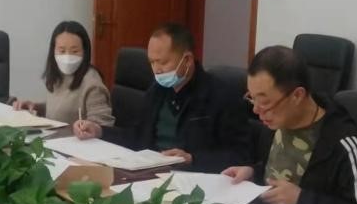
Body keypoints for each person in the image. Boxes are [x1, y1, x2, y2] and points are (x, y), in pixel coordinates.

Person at [222, 45, 357, 204]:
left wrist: (301, 200)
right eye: (252, 98)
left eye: (264, 101)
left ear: (297, 95)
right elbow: (277, 170)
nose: (256, 110)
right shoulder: (274, 124)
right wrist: (253, 173)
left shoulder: (344, 144)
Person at [73, 22, 250, 173]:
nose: (156, 70)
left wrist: (192, 158)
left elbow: (242, 155)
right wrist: (99, 130)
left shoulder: (220, 95)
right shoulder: (157, 90)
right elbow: (137, 136)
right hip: (151, 171)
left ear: (187, 60)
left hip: (192, 178)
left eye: (163, 62)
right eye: (152, 62)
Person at [13, 21, 115, 126]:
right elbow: (61, 111)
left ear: (85, 52)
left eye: (75, 51)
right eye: (62, 51)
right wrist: (35, 107)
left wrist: (91, 128)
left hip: (75, 137)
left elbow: (104, 124)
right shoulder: (58, 74)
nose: (67, 56)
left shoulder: (92, 84)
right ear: (53, 51)